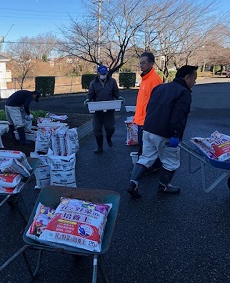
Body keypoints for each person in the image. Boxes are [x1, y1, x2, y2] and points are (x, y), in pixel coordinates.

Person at [127, 65, 198, 199]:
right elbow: (179, 116)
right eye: (194, 78)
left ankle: (133, 183)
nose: (195, 82)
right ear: (187, 77)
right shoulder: (184, 92)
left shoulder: (160, 88)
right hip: (164, 133)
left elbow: (149, 108)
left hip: (148, 129)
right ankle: (164, 186)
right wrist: (175, 134)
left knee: (146, 157)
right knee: (171, 161)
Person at [133, 52, 163, 171]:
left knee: (147, 147)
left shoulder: (154, 79)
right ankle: (148, 167)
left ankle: (149, 167)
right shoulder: (145, 78)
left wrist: (151, 120)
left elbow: (156, 103)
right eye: (140, 63)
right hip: (141, 119)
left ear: (151, 63)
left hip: (147, 120)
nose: (141, 65)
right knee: (144, 146)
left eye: (144, 63)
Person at [84, 65, 122, 153]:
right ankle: (99, 147)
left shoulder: (112, 81)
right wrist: (87, 99)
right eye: (101, 73)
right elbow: (90, 94)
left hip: (109, 109)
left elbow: (116, 92)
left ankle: (109, 138)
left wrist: (119, 97)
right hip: (97, 109)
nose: (103, 75)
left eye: (105, 73)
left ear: (107, 73)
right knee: (97, 129)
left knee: (110, 128)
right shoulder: (93, 83)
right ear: (98, 73)